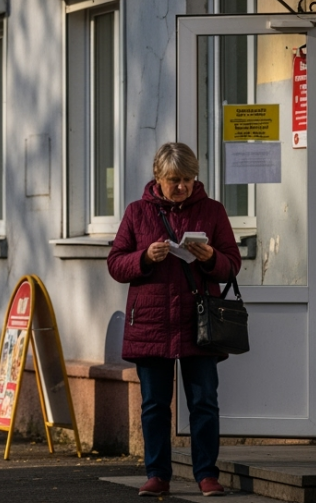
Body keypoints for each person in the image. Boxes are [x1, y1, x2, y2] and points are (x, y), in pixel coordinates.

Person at [107, 142, 242, 497]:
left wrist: (211, 256)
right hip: (151, 324)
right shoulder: (138, 212)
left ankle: (206, 474)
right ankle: (157, 474)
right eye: (173, 180)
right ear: (158, 178)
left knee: (204, 403)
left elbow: (232, 265)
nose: (181, 186)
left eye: (186, 179)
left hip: (198, 323)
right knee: (154, 405)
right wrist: (145, 257)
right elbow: (115, 263)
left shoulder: (212, 211)